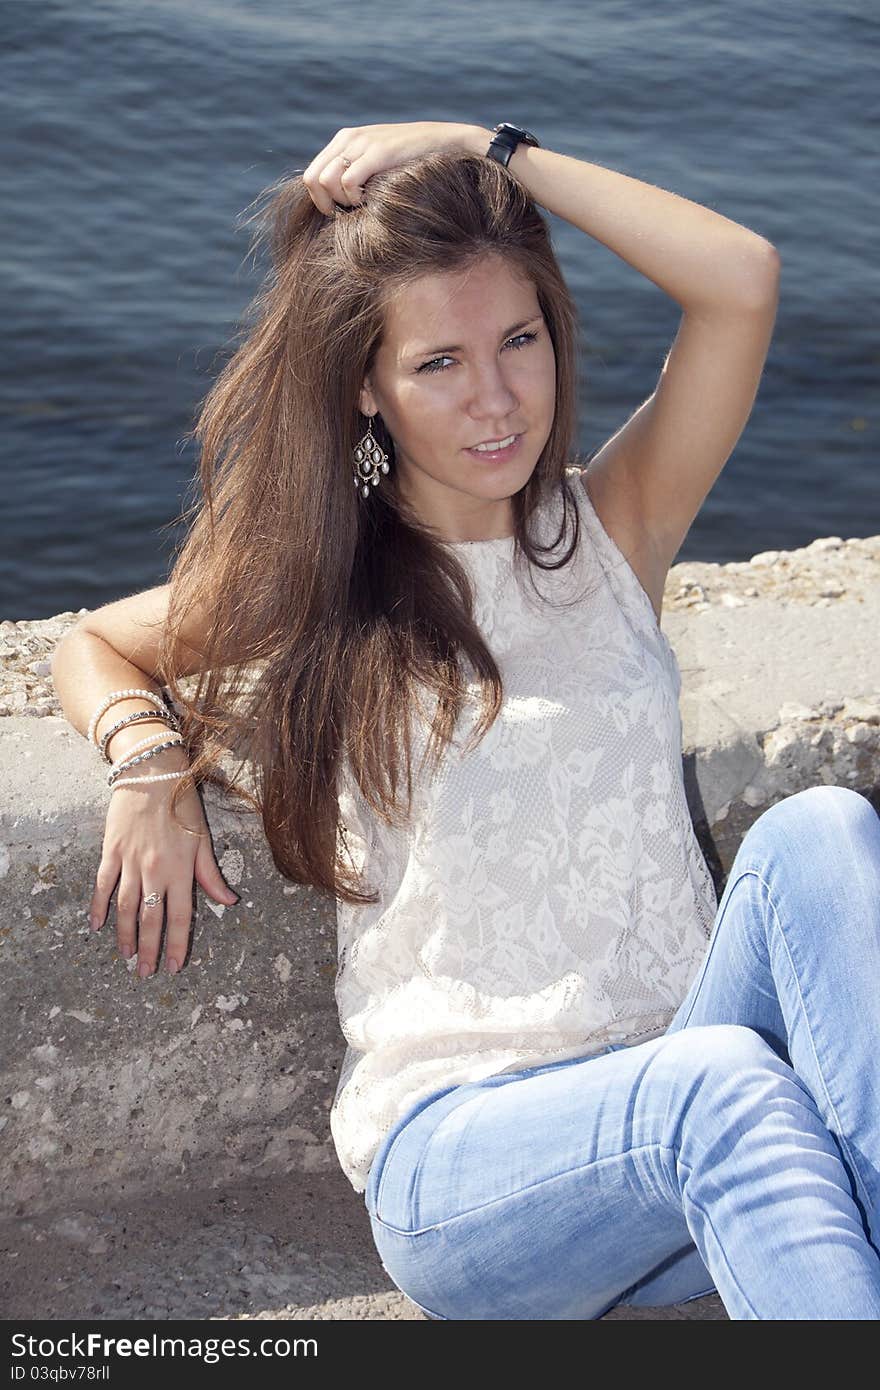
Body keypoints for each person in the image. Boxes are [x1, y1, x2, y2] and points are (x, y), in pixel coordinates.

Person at [50, 121, 880, 1320]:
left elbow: (740, 277)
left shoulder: (615, 533)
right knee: (733, 1089)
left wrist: (490, 146)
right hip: (469, 1162)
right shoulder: (321, 582)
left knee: (819, 833)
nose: (496, 399)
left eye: (519, 341)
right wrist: (147, 758)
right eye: (438, 363)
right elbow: (97, 645)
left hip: (679, 1093)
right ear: (366, 388)